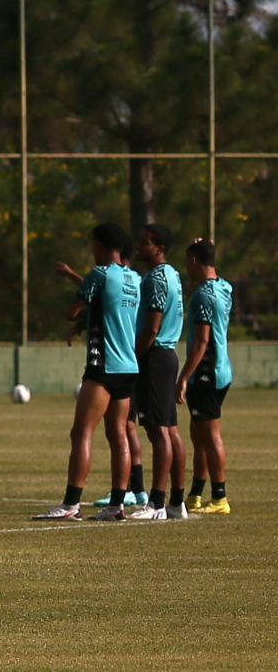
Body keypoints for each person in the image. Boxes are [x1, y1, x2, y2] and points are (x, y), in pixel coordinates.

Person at [33, 221, 142, 521]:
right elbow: (111, 305)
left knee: (82, 432)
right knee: (118, 435)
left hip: (103, 365)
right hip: (129, 367)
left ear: (101, 246)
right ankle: (117, 505)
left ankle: (70, 505)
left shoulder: (100, 274)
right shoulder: (134, 279)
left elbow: (72, 309)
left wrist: (77, 311)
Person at [130, 222, 186, 520]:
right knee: (170, 430)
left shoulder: (155, 279)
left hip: (154, 358)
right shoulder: (173, 274)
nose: (139, 246)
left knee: (158, 431)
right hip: (167, 357)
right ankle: (177, 502)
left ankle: (157, 503)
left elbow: (152, 327)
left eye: (144, 242)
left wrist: (133, 358)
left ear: (159, 248)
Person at [180, 237, 232, 514]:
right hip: (222, 370)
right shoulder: (224, 287)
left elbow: (201, 342)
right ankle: (196, 495)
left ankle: (220, 498)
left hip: (206, 373)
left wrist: (182, 378)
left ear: (194, 261)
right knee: (199, 435)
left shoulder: (203, 295)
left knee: (210, 437)